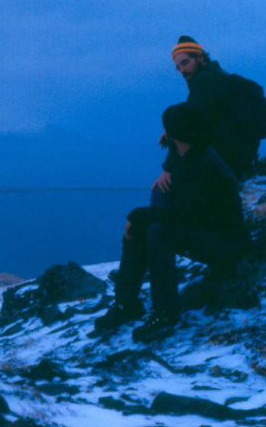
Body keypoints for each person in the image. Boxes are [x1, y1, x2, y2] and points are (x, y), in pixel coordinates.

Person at [92, 103, 251, 342]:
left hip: (226, 246)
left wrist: (138, 216)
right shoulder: (188, 150)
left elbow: (184, 215)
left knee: (158, 231)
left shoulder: (205, 167)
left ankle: (166, 312)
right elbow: (176, 161)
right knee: (144, 228)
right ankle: (127, 303)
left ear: (173, 133)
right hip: (203, 229)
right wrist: (140, 218)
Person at [152, 36, 263, 197]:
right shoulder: (216, 75)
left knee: (161, 191)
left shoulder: (206, 82)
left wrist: (167, 169)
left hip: (227, 158)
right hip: (238, 153)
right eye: (178, 67)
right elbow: (190, 119)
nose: (182, 71)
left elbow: (189, 128)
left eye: (185, 63)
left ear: (200, 57)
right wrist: (171, 128)